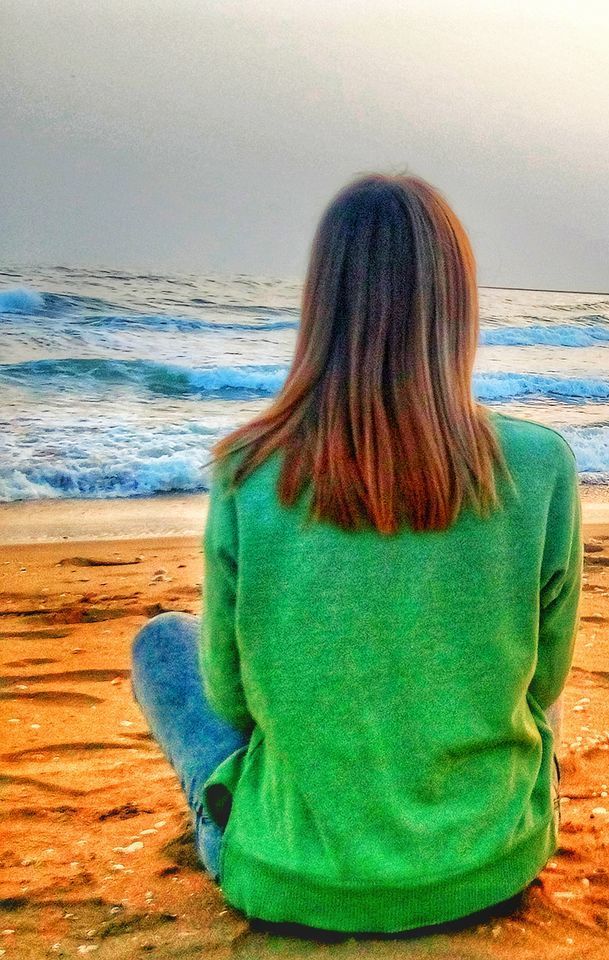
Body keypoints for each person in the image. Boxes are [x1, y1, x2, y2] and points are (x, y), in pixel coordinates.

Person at [129, 173, 582, 935]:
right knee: (520, 672)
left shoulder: (248, 471)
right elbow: (547, 680)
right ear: (456, 307)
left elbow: (233, 702)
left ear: (321, 306)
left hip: (291, 877)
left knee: (161, 642)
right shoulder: (539, 466)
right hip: (490, 862)